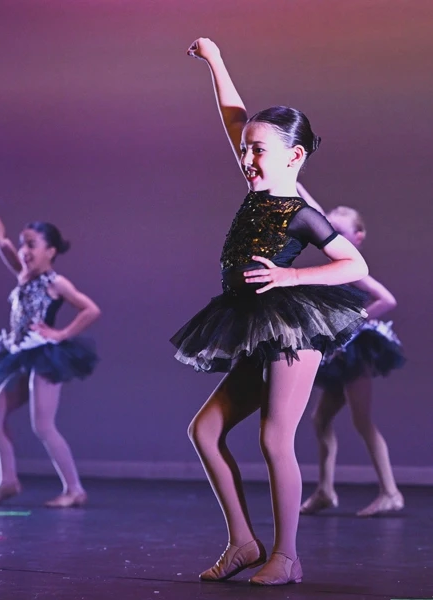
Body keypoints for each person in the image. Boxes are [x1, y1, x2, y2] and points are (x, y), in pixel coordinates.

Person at [170, 38, 368, 586]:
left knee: (274, 438)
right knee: (205, 431)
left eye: (258, 150)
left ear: (293, 156)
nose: (246, 157)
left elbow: (353, 263)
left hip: (291, 325)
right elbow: (234, 116)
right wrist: (215, 60)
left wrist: (292, 276)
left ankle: (288, 556)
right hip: (252, 323)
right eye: (244, 149)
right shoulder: (255, 185)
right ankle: (243, 541)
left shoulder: (300, 210)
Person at [0, 180, 100, 508]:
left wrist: (61, 334)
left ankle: (75, 489)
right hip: (21, 354)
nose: (24, 251)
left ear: (50, 250)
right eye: (24, 244)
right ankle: (8, 480)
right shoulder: (23, 274)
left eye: (32, 244)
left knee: (42, 425)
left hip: (46, 356)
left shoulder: (55, 282)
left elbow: (91, 308)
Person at [300, 203, 405, 517]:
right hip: (339, 354)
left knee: (362, 422)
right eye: (329, 232)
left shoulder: (355, 269)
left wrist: (355, 319)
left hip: (356, 352)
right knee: (320, 419)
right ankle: (325, 489)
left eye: (340, 233)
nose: (332, 238)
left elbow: (388, 299)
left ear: (358, 237)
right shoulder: (337, 267)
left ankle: (391, 492)